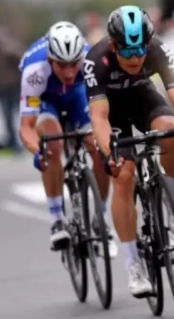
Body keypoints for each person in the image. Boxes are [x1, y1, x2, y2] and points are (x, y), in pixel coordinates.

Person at [84, 6, 174, 298]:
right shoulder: (96, 60)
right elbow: (99, 118)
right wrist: (110, 154)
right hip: (112, 113)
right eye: (127, 52)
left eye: (140, 50)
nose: (135, 58)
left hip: (143, 99)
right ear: (114, 45)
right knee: (124, 176)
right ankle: (134, 265)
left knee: (169, 129)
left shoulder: (157, 49)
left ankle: (171, 194)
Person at [18, 21, 111, 251]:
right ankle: (57, 217)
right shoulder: (34, 71)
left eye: (73, 65)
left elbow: (104, 111)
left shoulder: (90, 61)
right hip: (46, 101)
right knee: (53, 143)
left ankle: (101, 216)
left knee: (99, 148)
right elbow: (26, 127)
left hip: (77, 97)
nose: (69, 72)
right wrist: (38, 151)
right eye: (62, 65)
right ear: (50, 59)